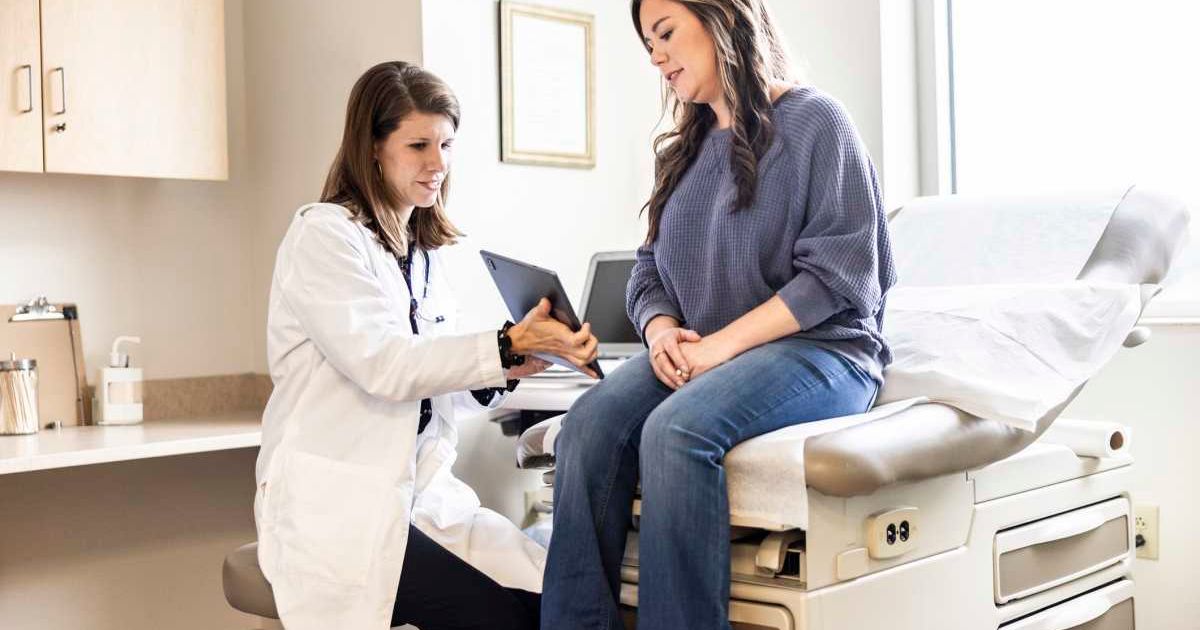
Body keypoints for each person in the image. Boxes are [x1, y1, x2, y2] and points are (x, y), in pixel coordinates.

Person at [541, 1, 896, 628]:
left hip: (823, 349)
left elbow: (840, 275)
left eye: (666, 33)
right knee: (588, 424)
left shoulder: (817, 122)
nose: (656, 57)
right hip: (705, 350)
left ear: (724, 19)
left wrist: (717, 349)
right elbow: (647, 270)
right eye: (648, 42)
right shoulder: (686, 149)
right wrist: (660, 332)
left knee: (676, 432)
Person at [253, 60, 598, 630]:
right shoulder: (323, 236)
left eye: (447, 144)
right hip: (341, 512)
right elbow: (386, 367)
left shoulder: (423, 256)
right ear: (373, 148)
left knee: (553, 601)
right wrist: (503, 345)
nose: (438, 163)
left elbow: (435, 396)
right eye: (418, 145)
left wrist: (513, 367)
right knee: (500, 619)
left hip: (423, 501)